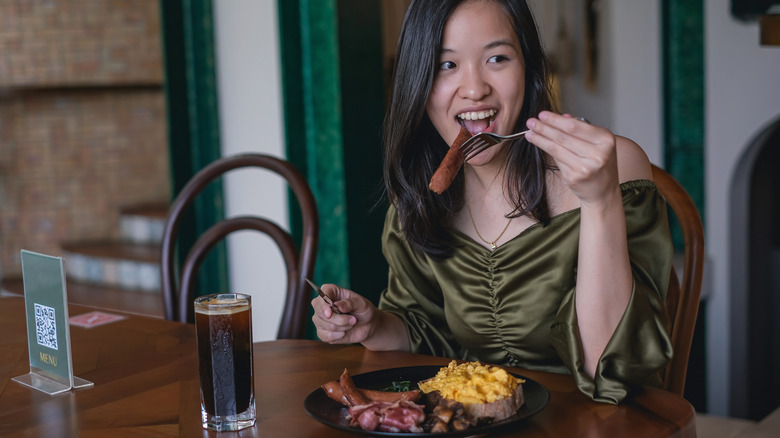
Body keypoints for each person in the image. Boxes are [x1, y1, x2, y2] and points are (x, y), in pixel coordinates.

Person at [311, 0, 673, 404]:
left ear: (529, 69)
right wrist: (373, 326)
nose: (474, 88)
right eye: (446, 65)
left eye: (497, 58)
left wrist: (600, 202)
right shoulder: (420, 193)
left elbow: (612, 370)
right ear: (417, 82)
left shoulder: (616, 166)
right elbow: (426, 330)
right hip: (472, 423)